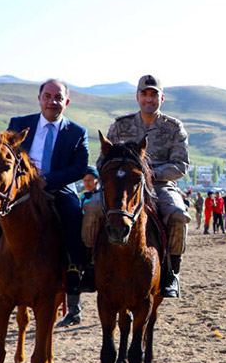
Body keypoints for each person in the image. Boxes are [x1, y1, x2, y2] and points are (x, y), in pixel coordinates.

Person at [0, 79, 89, 328]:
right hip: (18, 190)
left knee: (74, 217)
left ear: (66, 102)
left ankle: (72, 271)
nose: (52, 101)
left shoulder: (77, 133)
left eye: (58, 98)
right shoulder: (19, 124)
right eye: (47, 96)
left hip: (55, 188)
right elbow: (4, 155)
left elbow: (79, 167)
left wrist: (47, 180)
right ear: (39, 99)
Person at [80, 75, 191, 299]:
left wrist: (149, 174)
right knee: (91, 209)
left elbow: (181, 165)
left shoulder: (173, 128)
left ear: (162, 97)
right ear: (138, 96)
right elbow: (103, 159)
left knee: (178, 215)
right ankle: (90, 265)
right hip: (122, 184)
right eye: (145, 94)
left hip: (159, 185)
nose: (149, 99)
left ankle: (172, 271)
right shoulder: (121, 126)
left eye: (154, 94)